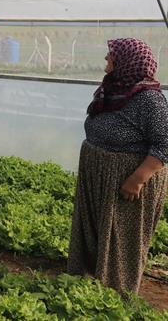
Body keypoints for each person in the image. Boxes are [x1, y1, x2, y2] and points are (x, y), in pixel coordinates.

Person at [68, 38, 168, 293]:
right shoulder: (113, 90)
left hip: (127, 179)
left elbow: (164, 143)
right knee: (95, 229)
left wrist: (137, 179)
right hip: (99, 173)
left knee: (121, 235)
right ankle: (88, 283)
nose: (106, 59)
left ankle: (116, 293)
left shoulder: (149, 99)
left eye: (111, 55)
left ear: (127, 61)